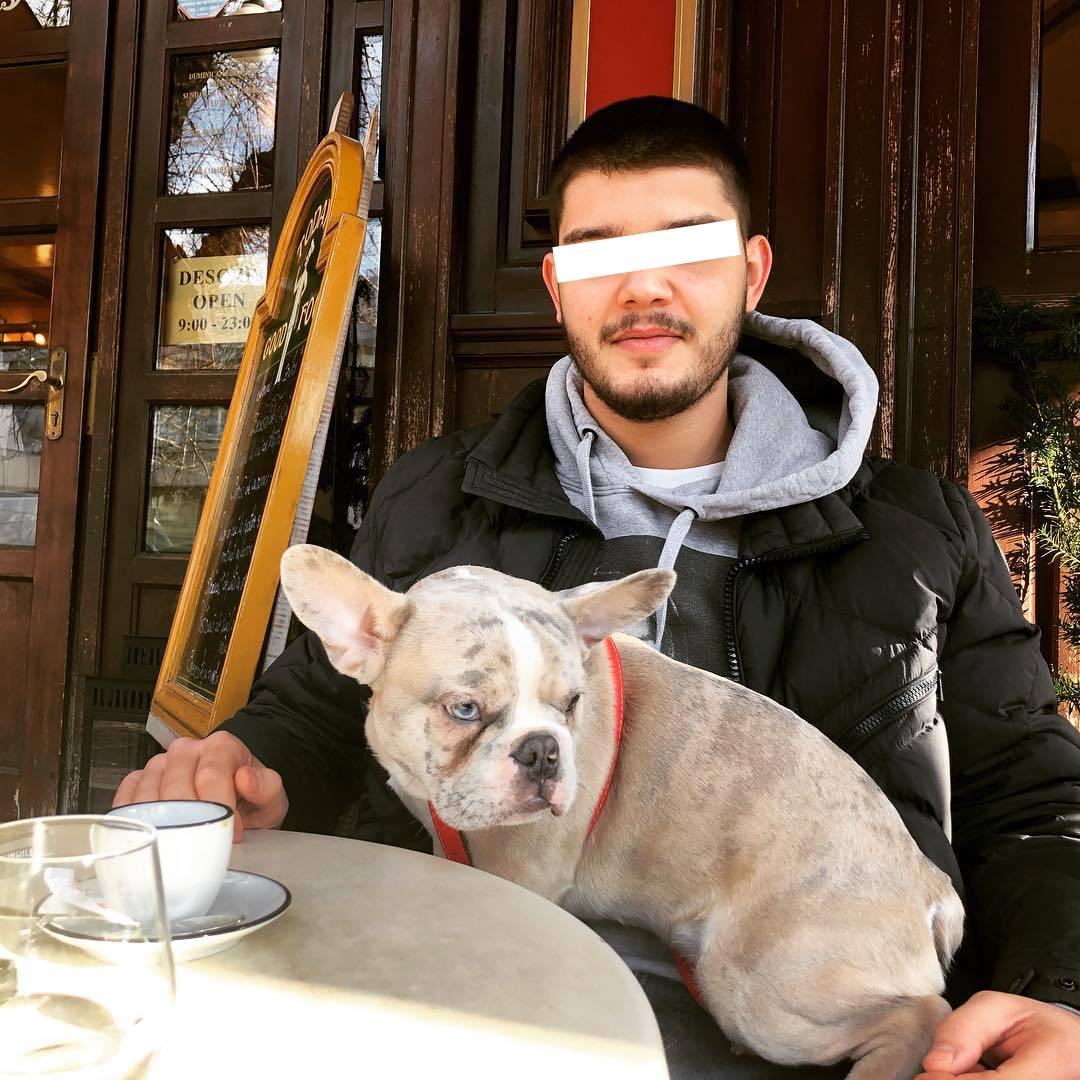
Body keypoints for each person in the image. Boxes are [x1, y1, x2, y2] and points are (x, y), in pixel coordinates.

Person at [114, 97, 1080, 1079]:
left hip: (797, 1031)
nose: (643, 284)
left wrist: (1061, 994)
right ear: (555, 284)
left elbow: (1037, 804)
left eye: (686, 246)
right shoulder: (436, 495)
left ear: (751, 272)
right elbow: (324, 709)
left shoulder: (919, 533)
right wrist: (247, 759)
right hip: (454, 1009)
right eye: (597, 252)